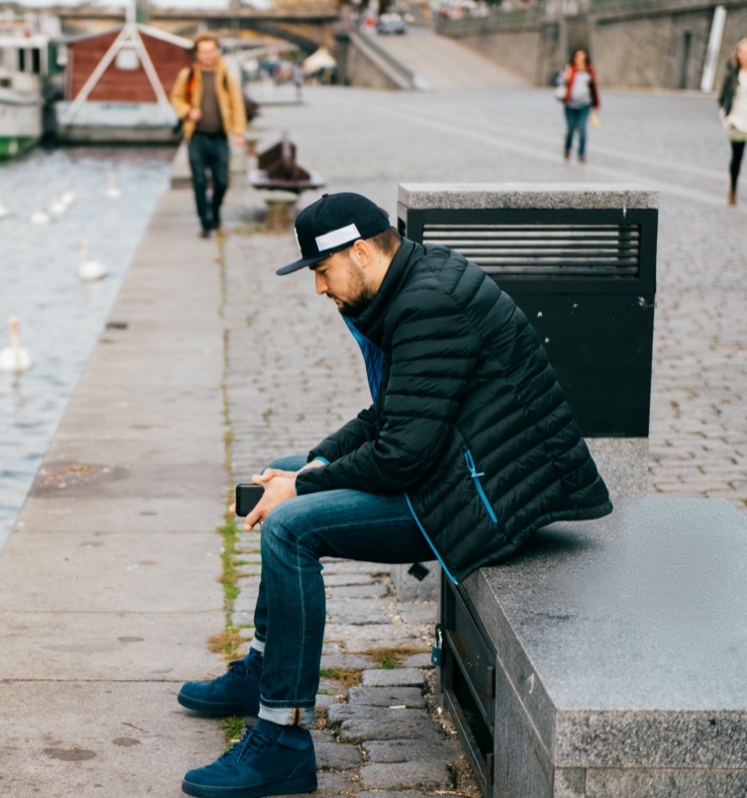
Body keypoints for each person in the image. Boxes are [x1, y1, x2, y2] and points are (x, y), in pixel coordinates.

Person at [176, 192, 612, 798]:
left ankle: (282, 740)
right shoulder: (409, 286)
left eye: (322, 273)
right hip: (455, 469)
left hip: (480, 498)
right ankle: (263, 668)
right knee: (274, 476)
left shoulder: (426, 303)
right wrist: (312, 463)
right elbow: (391, 415)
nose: (319, 290)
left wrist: (303, 485)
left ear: (359, 251)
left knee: (288, 524)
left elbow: (403, 453)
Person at [170, 34, 247, 239]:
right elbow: (176, 99)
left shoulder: (224, 75)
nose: (208, 55)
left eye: (211, 51)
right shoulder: (188, 75)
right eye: (204, 51)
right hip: (196, 137)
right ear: (197, 53)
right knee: (199, 182)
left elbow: (236, 103)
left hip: (220, 137)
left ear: (216, 51)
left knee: (222, 182)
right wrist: (188, 111)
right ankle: (204, 222)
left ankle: (215, 211)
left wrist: (238, 131)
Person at [718, 38, 747, 206]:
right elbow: (722, 98)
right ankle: (733, 189)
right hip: (736, 122)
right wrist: (726, 119)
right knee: (737, 158)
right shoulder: (732, 75)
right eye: (741, 52)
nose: (744, 56)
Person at [559, 48, 600, 163]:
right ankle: (567, 149)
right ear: (574, 57)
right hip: (570, 105)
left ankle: (581, 153)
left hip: (584, 105)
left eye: (582, 56)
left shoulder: (590, 70)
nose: (580, 58)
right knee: (571, 129)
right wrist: (565, 78)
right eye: (578, 56)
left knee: (582, 128)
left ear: (585, 57)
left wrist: (596, 105)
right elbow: (559, 81)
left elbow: (594, 88)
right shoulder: (570, 69)